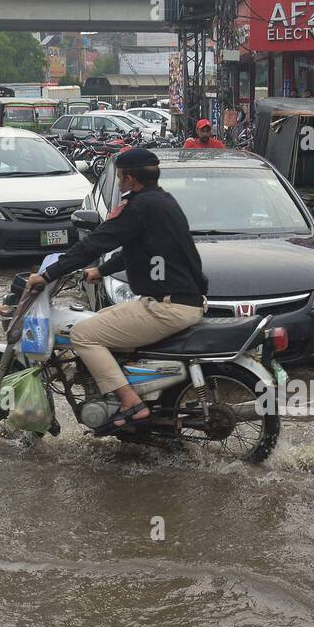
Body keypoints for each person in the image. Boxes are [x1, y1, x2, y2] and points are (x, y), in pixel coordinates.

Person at [24, 147, 206, 433]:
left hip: (166, 307)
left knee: (83, 334)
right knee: (103, 319)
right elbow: (140, 250)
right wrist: (100, 271)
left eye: (120, 177)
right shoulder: (162, 201)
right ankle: (127, 394)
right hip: (182, 301)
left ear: (130, 179)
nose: (119, 182)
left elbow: (94, 244)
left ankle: (131, 402)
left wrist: (47, 274)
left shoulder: (138, 207)